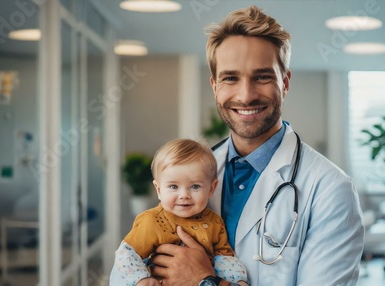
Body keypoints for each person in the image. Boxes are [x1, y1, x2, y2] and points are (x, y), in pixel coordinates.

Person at [112, 5, 364, 286]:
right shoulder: (194, 170)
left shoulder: (330, 189)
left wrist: (205, 281)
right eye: (231, 78)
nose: (246, 95)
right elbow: (124, 271)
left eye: (262, 77)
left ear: (285, 83)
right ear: (214, 85)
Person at [110, 139, 248, 286]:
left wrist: (237, 281)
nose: (184, 195)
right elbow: (127, 254)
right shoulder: (151, 221)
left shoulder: (214, 222)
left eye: (195, 186)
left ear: (212, 188)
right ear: (159, 190)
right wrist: (141, 279)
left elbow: (224, 258)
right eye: (174, 187)